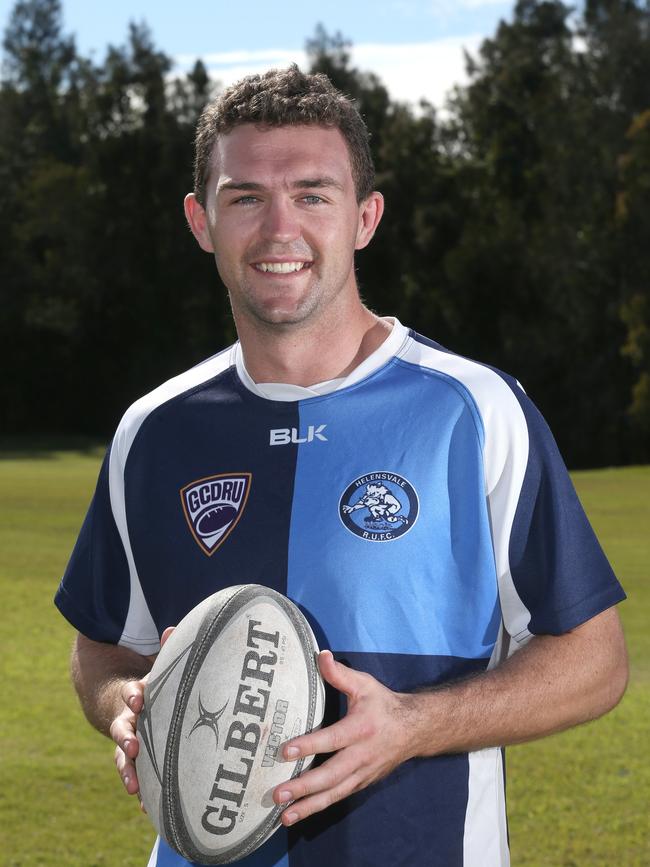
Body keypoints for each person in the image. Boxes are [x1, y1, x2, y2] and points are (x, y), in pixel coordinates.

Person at [55, 65, 628, 867]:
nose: (279, 229)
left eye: (313, 194)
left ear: (365, 217)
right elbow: (104, 650)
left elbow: (596, 661)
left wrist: (415, 725)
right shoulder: (153, 429)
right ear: (200, 219)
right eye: (245, 196)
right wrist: (128, 708)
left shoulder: (473, 409)